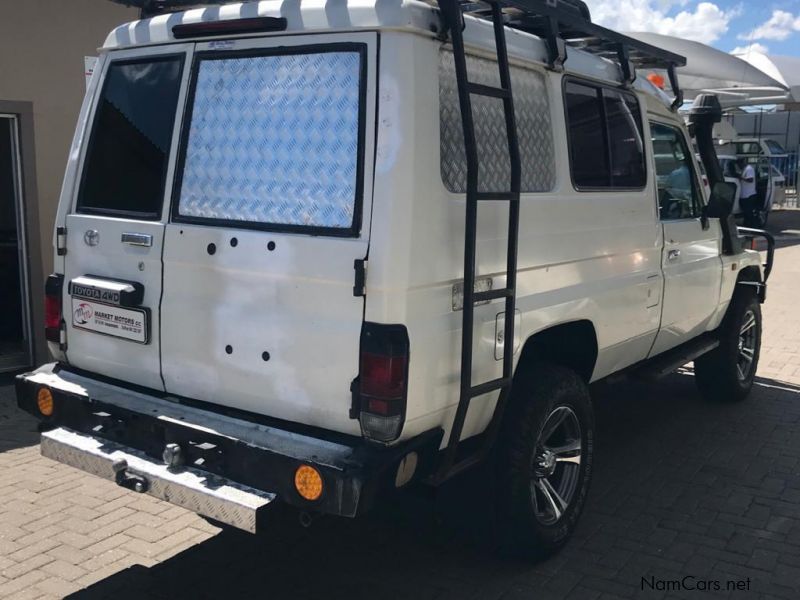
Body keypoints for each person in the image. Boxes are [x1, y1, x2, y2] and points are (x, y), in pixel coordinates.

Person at [738, 158, 758, 223]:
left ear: (743, 162)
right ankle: (748, 225)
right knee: (746, 214)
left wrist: (741, 177)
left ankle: (753, 227)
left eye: (740, 163)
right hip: (744, 195)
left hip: (749, 195)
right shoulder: (744, 169)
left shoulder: (749, 169)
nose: (739, 165)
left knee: (749, 214)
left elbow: (750, 180)